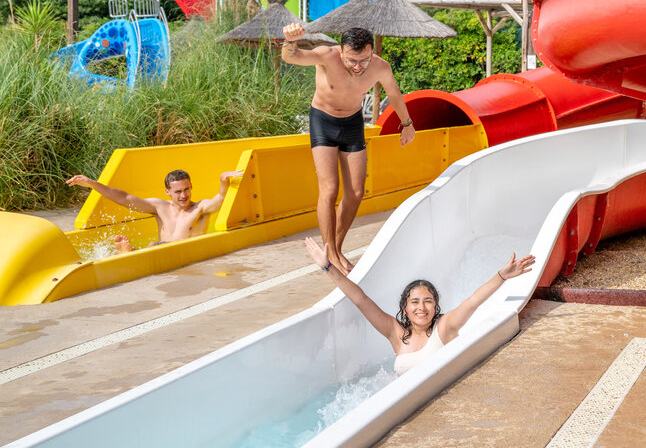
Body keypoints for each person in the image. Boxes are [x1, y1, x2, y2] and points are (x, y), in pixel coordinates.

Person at [282, 22, 415, 275]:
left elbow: (395, 95)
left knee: (356, 191)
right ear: (341, 52)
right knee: (330, 189)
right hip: (323, 120)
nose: (357, 67)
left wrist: (407, 124)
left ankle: (336, 250)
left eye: (363, 61)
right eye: (352, 60)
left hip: (353, 123)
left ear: (371, 53)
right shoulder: (326, 55)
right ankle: (330, 253)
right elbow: (293, 57)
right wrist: (290, 42)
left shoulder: (380, 67)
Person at [302, 236, 535, 374]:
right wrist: (327, 268)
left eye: (428, 302)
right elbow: (361, 300)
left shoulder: (445, 328)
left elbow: (474, 300)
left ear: (435, 307)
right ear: (405, 308)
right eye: (414, 302)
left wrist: (501, 276)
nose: (421, 307)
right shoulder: (396, 334)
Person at [66, 168, 243, 251]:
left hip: (188, 253)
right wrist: (91, 183)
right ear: (167, 192)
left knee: (151, 247)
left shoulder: (200, 208)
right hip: (161, 250)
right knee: (152, 246)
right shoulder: (159, 207)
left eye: (186, 190)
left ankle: (132, 252)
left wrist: (223, 182)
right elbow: (124, 198)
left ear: (191, 187)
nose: (183, 195)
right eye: (178, 191)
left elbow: (220, 200)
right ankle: (130, 251)